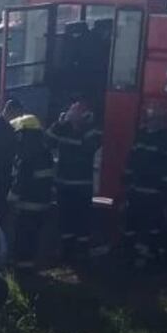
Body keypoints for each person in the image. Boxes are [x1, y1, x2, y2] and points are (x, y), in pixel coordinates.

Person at [121, 104, 167, 267]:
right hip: (137, 189)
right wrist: (127, 181)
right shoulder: (141, 135)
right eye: (150, 119)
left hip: (156, 191)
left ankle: (152, 257)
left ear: (162, 121)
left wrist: (165, 186)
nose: (151, 123)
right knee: (131, 223)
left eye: (155, 119)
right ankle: (129, 253)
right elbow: (132, 159)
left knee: (154, 225)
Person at [47, 100, 102, 261]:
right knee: (64, 219)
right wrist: (59, 123)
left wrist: (78, 126)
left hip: (82, 185)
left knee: (82, 219)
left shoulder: (93, 131)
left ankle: (82, 253)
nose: (72, 114)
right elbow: (47, 141)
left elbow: (87, 148)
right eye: (72, 111)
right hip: (64, 184)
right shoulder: (63, 128)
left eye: (76, 112)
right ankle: (66, 252)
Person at [7, 115, 55, 270]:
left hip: (27, 203)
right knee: (34, 236)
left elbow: (21, 181)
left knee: (23, 236)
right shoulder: (44, 151)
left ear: (23, 134)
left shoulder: (26, 155)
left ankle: (22, 269)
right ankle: (30, 265)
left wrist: (10, 200)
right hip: (43, 202)